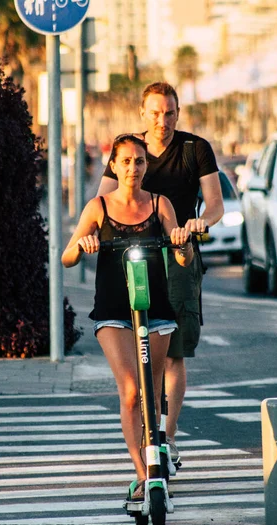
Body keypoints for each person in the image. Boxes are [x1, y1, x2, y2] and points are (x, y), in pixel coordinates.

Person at [97, 82, 224, 462]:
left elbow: (215, 204)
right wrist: (91, 237)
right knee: (131, 349)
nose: (162, 121)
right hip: (132, 255)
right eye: (154, 113)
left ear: (177, 113)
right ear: (142, 113)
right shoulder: (129, 151)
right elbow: (101, 200)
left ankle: (166, 437)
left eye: (169, 113)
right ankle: (140, 445)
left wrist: (198, 225)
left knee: (174, 351)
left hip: (177, 250)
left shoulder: (194, 149)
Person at [62, 135, 194, 499]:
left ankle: (157, 459)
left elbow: (184, 258)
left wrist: (181, 242)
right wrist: (84, 245)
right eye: (126, 161)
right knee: (132, 392)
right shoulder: (98, 206)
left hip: (156, 310)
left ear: (145, 166)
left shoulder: (159, 203)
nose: (133, 168)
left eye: (139, 161)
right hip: (113, 310)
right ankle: (143, 475)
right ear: (115, 166)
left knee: (152, 396)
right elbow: (67, 256)